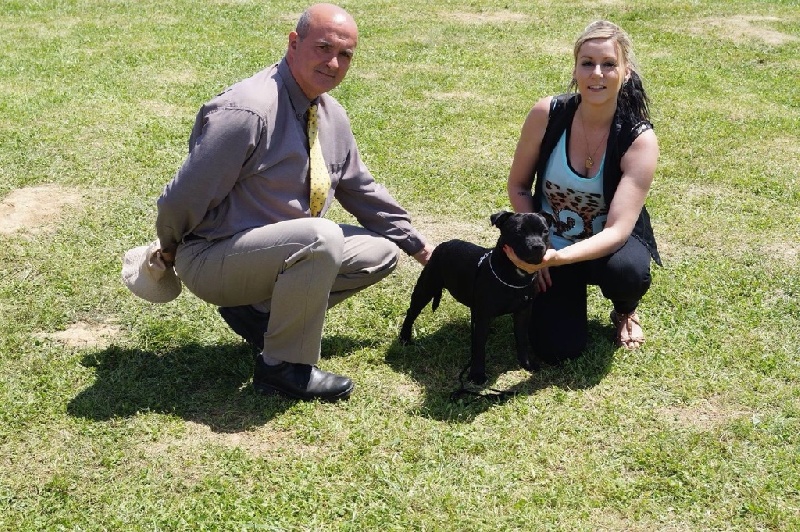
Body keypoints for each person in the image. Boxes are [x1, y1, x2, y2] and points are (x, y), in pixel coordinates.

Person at [155, 3, 433, 401]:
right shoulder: (248, 111)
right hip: (211, 256)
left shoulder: (329, 114)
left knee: (380, 252)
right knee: (320, 238)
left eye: (345, 55)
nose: (333, 63)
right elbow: (184, 195)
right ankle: (282, 367)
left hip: (274, 252)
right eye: (323, 48)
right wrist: (168, 246)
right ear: (294, 43)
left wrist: (422, 250)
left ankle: (259, 316)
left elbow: (361, 189)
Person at [505, 20, 661, 362]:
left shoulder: (638, 139)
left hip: (606, 248)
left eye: (609, 64)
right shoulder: (547, 115)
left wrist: (557, 258)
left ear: (626, 73)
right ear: (575, 70)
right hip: (552, 243)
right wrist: (539, 250)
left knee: (627, 272)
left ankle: (625, 310)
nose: (597, 74)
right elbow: (518, 186)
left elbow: (618, 231)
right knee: (557, 349)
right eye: (587, 63)